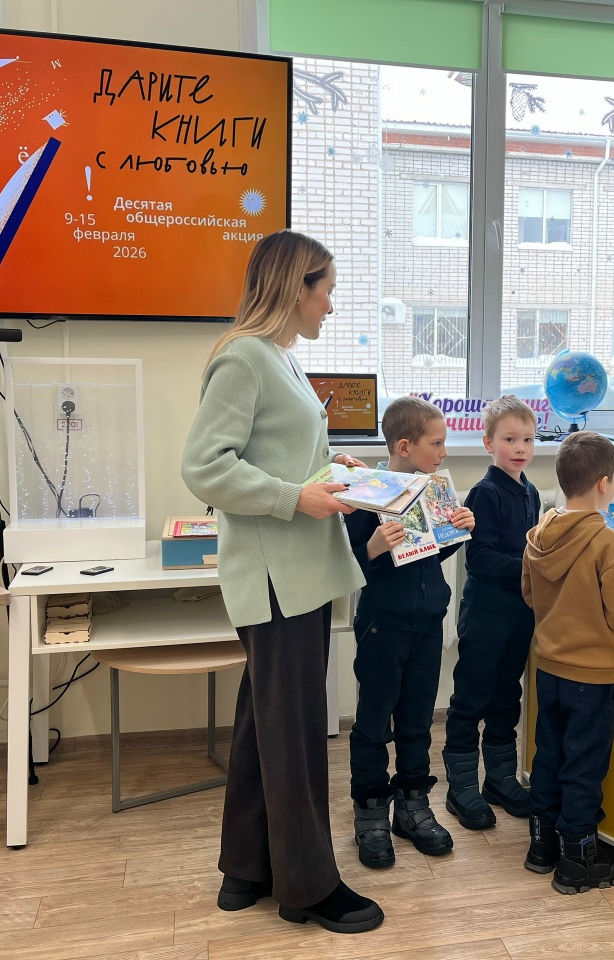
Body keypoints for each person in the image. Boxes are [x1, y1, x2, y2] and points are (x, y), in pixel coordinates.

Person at [180, 230, 383, 935]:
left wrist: (335, 471)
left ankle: (245, 868)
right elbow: (205, 467)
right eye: (326, 290)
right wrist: (296, 497)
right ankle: (307, 887)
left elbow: (284, 458)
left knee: (263, 722)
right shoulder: (244, 357)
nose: (331, 303)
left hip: (297, 572)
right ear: (297, 287)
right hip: (276, 577)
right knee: (293, 732)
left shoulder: (281, 358)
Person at [521, 430, 614, 893]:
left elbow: (530, 595)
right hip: (594, 676)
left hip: (548, 667)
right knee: (584, 763)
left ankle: (541, 845)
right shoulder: (609, 543)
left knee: (549, 755)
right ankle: (578, 858)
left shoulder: (539, 534)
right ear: (604, 483)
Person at [343, 396, 475, 869]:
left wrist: (456, 531)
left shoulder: (431, 490)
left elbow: (423, 555)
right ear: (405, 446)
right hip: (383, 625)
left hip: (427, 624)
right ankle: (370, 810)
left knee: (418, 719)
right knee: (374, 722)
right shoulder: (366, 495)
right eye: (436, 443)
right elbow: (347, 566)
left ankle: (413, 805)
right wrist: (373, 548)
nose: (444, 452)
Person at [443, 395, 540, 830]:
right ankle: (461, 786)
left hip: (520, 613)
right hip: (485, 614)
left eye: (528, 439)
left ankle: (500, 779)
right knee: (471, 697)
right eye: (510, 439)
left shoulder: (530, 491)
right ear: (488, 443)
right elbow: (479, 559)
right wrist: (533, 568)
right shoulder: (484, 493)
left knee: (507, 696)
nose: (520, 448)